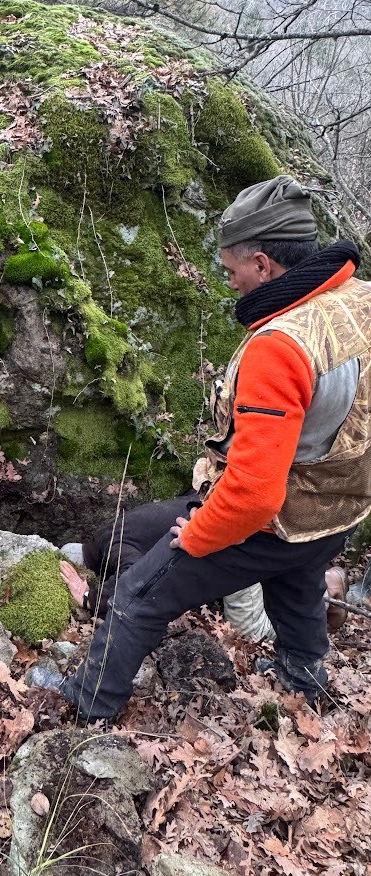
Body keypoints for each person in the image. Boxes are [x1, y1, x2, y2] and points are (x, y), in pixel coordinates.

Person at [30, 174, 371, 718]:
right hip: (339, 508)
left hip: (271, 517)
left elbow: (255, 496)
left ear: (262, 264)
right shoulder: (358, 300)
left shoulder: (280, 347)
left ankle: (85, 704)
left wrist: (198, 535)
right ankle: (305, 682)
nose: (230, 281)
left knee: (139, 596)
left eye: (232, 268)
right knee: (298, 582)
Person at [59, 510, 350, 641]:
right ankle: (327, 608)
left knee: (266, 613)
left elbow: (131, 581)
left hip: (240, 540)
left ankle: (327, 606)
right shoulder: (118, 535)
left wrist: (89, 597)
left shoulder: (114, 539)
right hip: (240, 534)